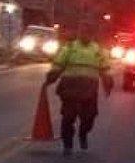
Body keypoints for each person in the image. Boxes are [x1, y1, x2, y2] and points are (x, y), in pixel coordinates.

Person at [44, 21, 113, 156]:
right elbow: (58, 65)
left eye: (88, 33)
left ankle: (83, 133)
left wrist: (108, 82)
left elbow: (105, 69)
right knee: (68, 117)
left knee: (89, 117)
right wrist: (51, 78)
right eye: (83, 32)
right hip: (70, 88)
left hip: (89, 90)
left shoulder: (98, 50)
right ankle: (67, 145)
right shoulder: (69, 48)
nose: (85, 35)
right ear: (79, 34)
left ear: (92, 35)